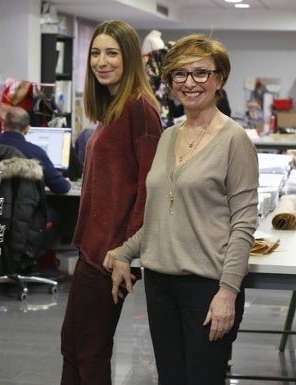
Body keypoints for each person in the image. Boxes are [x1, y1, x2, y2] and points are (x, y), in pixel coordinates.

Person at [105, 34, 259, 385]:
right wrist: (124, 252)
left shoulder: (235, 140)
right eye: (180, 74)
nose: (190, 83)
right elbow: (161, 218)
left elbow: (243, 225)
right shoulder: (168, 136)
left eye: (201, 73)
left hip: (207, 287)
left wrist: (228, 292)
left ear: (219, 79)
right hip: (159, 284)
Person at [60, 20, 163, 385]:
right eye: (95, 53)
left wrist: (125, 252)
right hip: (92, 248)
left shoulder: (140, 109)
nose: (101, 61)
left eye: (112, 53)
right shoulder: (113, 109)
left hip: (111, 254)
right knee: (74, 346)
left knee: (89, 350)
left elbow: (151, 186)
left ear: (130, 58)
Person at [0, 106, 71, 195]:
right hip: (26, 207)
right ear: (27, 129)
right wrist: (66, 182)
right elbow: (61, 188)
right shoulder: (36, 153)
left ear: (3, 125)